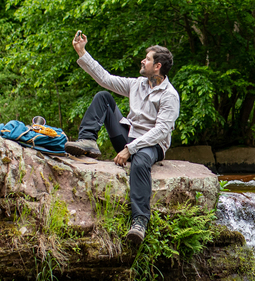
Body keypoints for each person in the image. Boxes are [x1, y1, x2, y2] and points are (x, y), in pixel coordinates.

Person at [67, 31, 180, 246]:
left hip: (152, 145)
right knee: (104, 97)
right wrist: (82, 52)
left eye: (147, 59)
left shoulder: (169, 96)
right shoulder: (137, 84)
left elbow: (161, 131)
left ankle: (139, 221)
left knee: (140, 162)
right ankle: (88, 141)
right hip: (129, 136)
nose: (142, 60)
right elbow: (105, 79)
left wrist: (132, 148)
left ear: (157, 66)